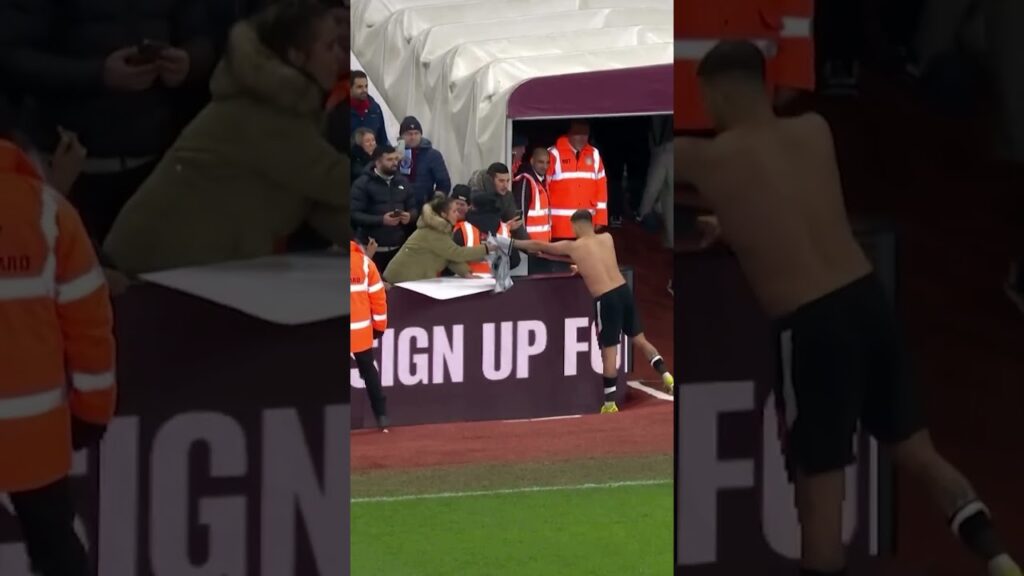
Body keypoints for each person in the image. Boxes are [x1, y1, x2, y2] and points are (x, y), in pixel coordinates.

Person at [679, 40, 1021, 576]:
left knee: (821, 500)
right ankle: (999, 559)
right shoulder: (815, 129)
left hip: (814, 329)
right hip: (868, 302)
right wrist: (736, 222)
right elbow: (787, 201)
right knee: (922, 456)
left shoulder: (707, 157)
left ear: (717, 93)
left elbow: (662, 173)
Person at [103, 0, 349, 274]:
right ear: (296, 55)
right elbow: (334, 180)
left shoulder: (289, 106)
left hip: (188, 269)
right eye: (329, 47)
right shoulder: (263, 113)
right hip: (148, 270)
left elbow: (315, 200)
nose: (340, 55)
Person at [1, 110, 117, 576]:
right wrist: (93, 411)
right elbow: (90, 324)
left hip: (38, 434)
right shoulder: (48, 212)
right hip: (36, 436)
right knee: (55, 548)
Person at [0, 0, 217, 245]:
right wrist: (98, 74)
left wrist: (188, 63)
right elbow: (11, 57)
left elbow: (203, 39)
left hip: (155, 171)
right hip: (69, 170)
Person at [513, 210, 675, 413]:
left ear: (577, 226)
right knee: (640, 340)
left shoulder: (574, 246)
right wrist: (583, 267)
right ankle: (666, 375)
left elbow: (540, 246)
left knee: (609, 350)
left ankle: (609, 403)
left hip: (606, 299)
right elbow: (600, 263)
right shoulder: (608, 238)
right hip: (624, 291)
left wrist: (512, 243)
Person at [383, 193, 493, 284]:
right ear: (444, 215)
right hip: (399, 282)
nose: (457, 214)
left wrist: (465, 273)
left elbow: (448, 257)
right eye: (454, 211)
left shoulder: (441, 230)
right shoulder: (433, 232)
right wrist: (487, 248)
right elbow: (457, 253)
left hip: (409, 281)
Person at [351, 143, 417, 273]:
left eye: (396, 159)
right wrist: (381, 220)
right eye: (389, 160)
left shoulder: (403, 182)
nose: (394, 163)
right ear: (377, 162)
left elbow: (413, 208)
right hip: (371, 248)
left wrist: (410, 216)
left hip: (397, 249)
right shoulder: (362, 184)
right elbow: (354, 214)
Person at [350, 239, 389, 432]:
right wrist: (379, 327)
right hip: (360, 332)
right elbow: (378, 298)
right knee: (369, 373)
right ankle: (381, 416)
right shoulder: (364, 263)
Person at [547, 119, 608, 241]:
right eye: (578, 134)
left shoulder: (594, 154)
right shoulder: (553, 154)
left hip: (586, 227)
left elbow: (601, 188)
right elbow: (543, 190)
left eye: (585, 134)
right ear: (568, 133)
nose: (582, 138)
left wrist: (601, 218)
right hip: (560, 228)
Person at [453, 188, 522, 276]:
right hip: (495, 283)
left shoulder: (464, 229)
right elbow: (515, 260)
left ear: (474, 207)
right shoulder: (504, 230)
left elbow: (452, 257)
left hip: (468, 284)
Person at [512, 148, 555, 273]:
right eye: (541, 162)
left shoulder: (542, 181)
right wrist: (526, 244)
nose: (545, 166)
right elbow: (520, 216)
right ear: (532, 161)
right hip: (531, 249)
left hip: (542, 247)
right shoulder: (525, 181)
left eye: (547, 163)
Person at [398, 116, 451, 210]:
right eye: (409, 134)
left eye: (416, 133)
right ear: (402, 136)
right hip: (399, 204)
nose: (413, 137)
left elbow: (444, 182)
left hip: (423, 205)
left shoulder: (433, 155)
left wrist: (434, 204)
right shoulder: (394, 154)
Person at [468, 162, 526, 239]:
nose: (505, 185)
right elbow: (486, 226)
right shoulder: (475, 197)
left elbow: (517, 227)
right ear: (490, 180)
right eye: (501, 181)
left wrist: (531, 248)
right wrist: (506, 227)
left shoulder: (507, 196)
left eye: (507, 181)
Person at [347, 69, 389, 147]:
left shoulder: (375, 109)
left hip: (372, 157)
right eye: (359, 87)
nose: (364, 90)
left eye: (366, 86)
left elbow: (382, 139)